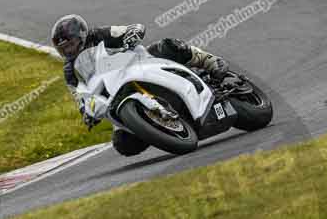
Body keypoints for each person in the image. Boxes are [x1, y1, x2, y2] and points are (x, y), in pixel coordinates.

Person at [50, 14, 229, 156]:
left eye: (71, 45)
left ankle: (209, 61)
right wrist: (86, 112)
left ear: (81, 35)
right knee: (123, 144)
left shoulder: (100, 34)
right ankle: (158, 126)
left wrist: (131, 34)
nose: (69, 51)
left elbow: (132, 29)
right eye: (64, 49)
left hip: (138, 63)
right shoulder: (69, 71)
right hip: (112, 92)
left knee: (165, 46)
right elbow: (78, 94)